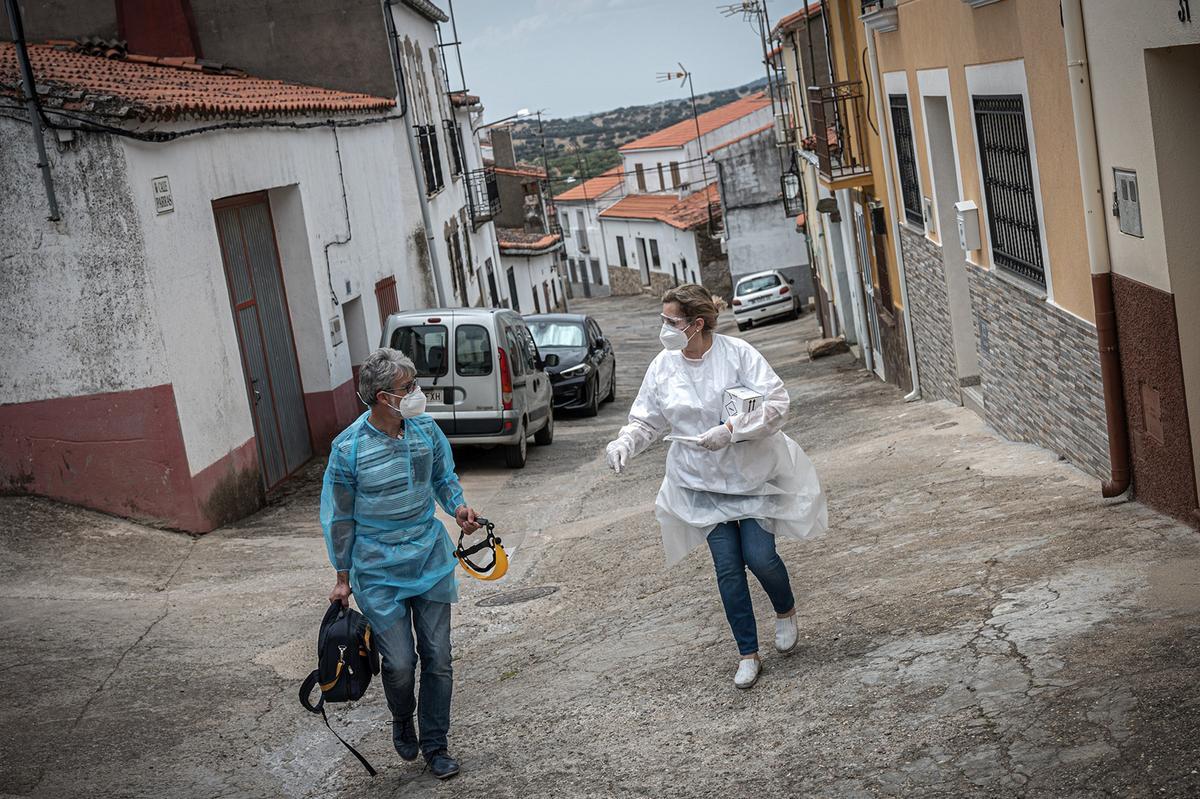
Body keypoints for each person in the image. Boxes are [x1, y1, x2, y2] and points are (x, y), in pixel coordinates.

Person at [605, 285, 827, 689]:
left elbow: (777, 403)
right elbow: (647, 420)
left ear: (697, 324)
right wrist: (624, 442)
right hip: (700, 483)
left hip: (751, 474)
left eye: (671, 321)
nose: (663, 328)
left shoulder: (738, 355)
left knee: (760, 557)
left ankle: (785, 609)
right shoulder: (662, 366)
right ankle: (747, 652)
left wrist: (731, 430)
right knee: (727, 568)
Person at [320, 348, 481, 779]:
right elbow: (340, 518)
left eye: (414, 385)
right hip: (377, 570)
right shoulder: (348, 450)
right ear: (380, 397)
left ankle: (435, 743)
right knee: (400, 663)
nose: (416, 393)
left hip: (428, 556)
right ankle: (401, 714)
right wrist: (342, 577)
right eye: (407, 388)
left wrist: (459, 509)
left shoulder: (425, 430)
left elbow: (444, 479)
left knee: (438, 656)